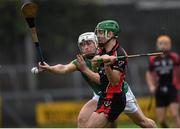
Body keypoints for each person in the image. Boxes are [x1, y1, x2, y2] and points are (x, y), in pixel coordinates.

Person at [39, 31, 156, 127]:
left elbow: (102, 81)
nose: (86, 47)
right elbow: (63, 68)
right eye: (83, 45)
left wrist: (85, 69)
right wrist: (49, 68)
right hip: (100, 95)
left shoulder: (103, 57)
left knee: (143, 123)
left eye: (89, 43)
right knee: (82, 119)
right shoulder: (82, 61)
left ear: (96, 44)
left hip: (120, 94)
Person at [146, 35, 180, 127]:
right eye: (161, 44)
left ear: (170, 45)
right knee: (161, 121)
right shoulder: (153, 59)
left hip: (172, 88)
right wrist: (151, 86)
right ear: (157, 45)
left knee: (175, 115)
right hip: (159, 90)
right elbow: (149, 73)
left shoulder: (174, 57)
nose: (163, 46)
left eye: (166, 43)